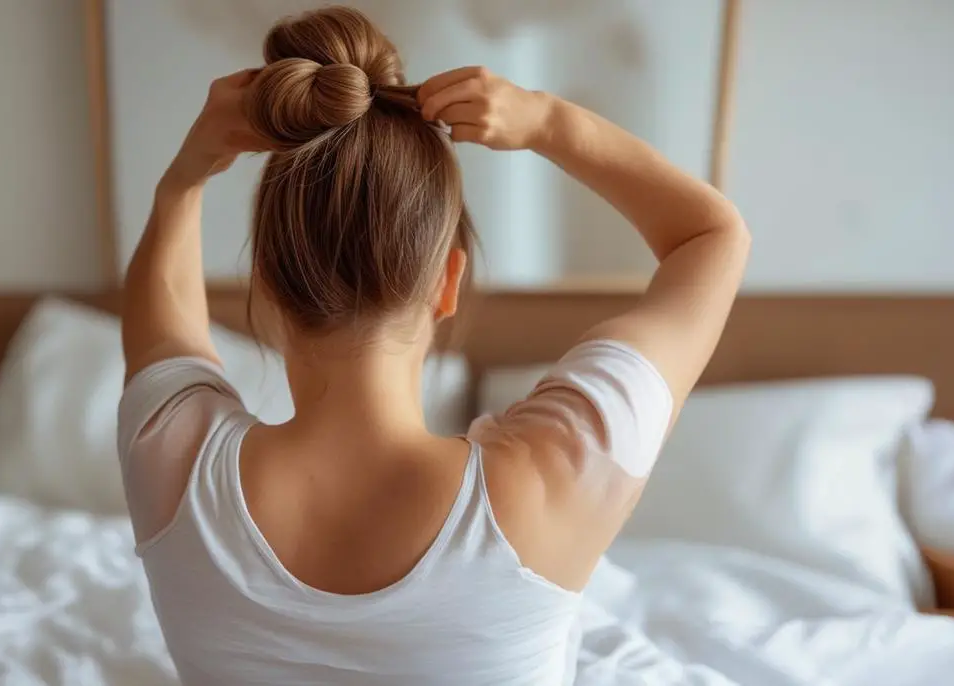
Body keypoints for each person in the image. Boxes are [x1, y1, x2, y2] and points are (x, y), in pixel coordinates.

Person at [117, 6, 749, 685]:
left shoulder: (173, 459)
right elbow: (710, 237)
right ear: (448, 280)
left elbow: (165, 313)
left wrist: (186, 172)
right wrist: (547, 123)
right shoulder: (554, 475)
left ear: (265, 282)